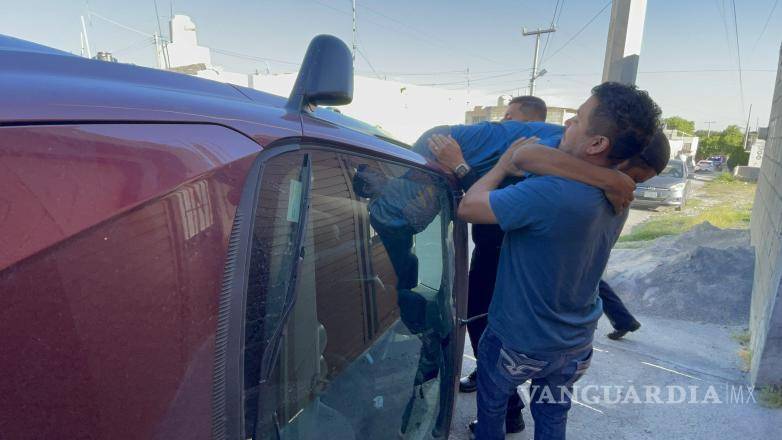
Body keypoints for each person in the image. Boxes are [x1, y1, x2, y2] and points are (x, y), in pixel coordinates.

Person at [457, 82, 660, 439]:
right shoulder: (619, 193)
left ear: (597, 144)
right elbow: (539, 158)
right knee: (552, 418)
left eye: (577, 120)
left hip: (518, 340)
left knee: (491, 414)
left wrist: (500, 166)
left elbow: (468, 207)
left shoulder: (550, 191)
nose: (566, 124)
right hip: (575, 344)